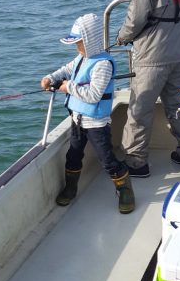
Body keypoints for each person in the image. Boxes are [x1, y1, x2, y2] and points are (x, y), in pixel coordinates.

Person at [113, 0, 180, 178]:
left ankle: (136, 163)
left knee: (140, 109)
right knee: (179, 106)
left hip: (152, 55)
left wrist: (122, 37)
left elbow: (136, 18)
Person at [41, 13, 135, 214]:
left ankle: (125, 190)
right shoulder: (81, 58)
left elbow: (93, 95)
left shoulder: (103, 64)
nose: (77, 47)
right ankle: (71, 188)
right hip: (77, 120)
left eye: (79, 42)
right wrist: (51, 78)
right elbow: (66, 70)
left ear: (90, 40)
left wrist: (68, 87)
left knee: (107, 161)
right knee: (73, 156)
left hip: (96, 124)